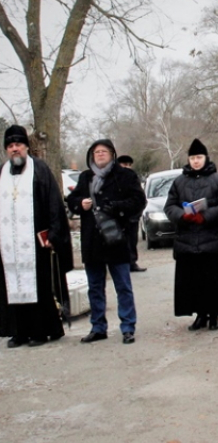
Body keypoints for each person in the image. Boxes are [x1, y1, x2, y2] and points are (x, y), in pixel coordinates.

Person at [67, 139, 146, 344]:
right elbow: (72, 201)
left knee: (123, 286)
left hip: (116, 238)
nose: (100, 155)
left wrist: (116, 207)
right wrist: (80, 204)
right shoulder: (86, 177)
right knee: (95, 286)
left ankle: (128, 326)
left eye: (104, 151)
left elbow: (138, 201)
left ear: (112, 154)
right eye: (96, 152)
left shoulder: (125, 176)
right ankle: (98, 326)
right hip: (92, 240)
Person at [0, 125, 73, 347]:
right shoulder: (1, 172)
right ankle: (19, 331)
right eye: (10, 146)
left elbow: (54, 204)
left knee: (39, 286)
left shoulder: (39, 170)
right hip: (8, 246)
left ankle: (40, 331)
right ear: (6, 150)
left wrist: (53, 232)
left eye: (18, 145)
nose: (15, 150)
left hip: (35, 243)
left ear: (26, 147)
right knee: (11, 287)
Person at [163, 139, 218, 331]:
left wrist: (205, 217)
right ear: (188, 159)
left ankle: (214, 316)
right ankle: (200, 316)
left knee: (212, 280)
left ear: (206, 158)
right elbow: (169, 206)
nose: (196, 161)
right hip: (187, 240)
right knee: (193, 282)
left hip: (211, 240)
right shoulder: (179, 182)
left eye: (199, 157)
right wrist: (183, 216)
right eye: (193, 158)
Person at [116, 155, 146, 272]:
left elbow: (140, 198)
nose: (127, 167)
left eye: (129, 165)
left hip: (132, 217)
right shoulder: (115, 178)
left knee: (132, 241)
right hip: (119, 217)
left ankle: (132, 262)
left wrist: (137, 213)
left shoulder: (133, 178)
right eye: (124, 164)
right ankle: (122, 264)